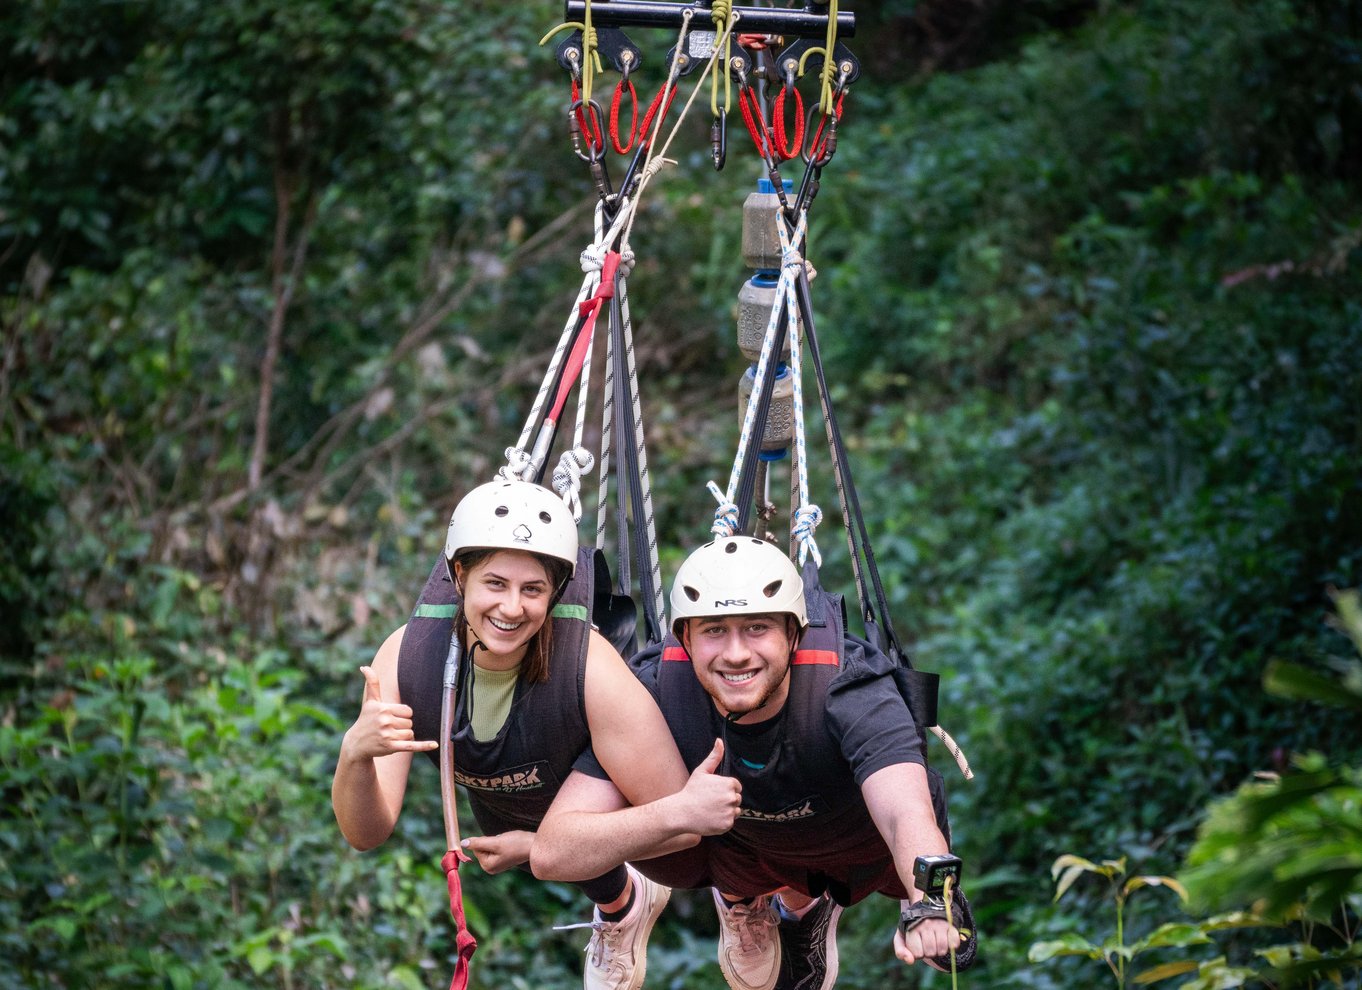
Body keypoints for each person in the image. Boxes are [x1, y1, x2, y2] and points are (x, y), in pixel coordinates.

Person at [332, 479, 740, 990]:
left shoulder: (592, 669)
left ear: (555, 594)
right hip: (502, 790)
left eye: (533, 590)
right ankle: (621, 906)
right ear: (460, 577)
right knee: (524, 823)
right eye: (495, 584)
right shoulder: (409, 657)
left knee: (588, 843)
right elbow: (365, 833)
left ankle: (750, 897)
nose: (511, 608)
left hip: (590, 779)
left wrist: (541, 848)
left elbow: (681, 823)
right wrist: (356, 754)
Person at [532, 535, 976, 990]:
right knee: (671, 839)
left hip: (856, 843)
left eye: (757, 628)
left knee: (909, 842)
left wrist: (931, 900)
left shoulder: (850, 688)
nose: (737, 653)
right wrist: (675, 813)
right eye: (714, 631)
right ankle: (754, 902)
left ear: (794, 634)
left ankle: (865, 896)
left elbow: (906, 814)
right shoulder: (656, 692)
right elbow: (553, 852)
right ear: (684, 637)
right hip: (747, 852)